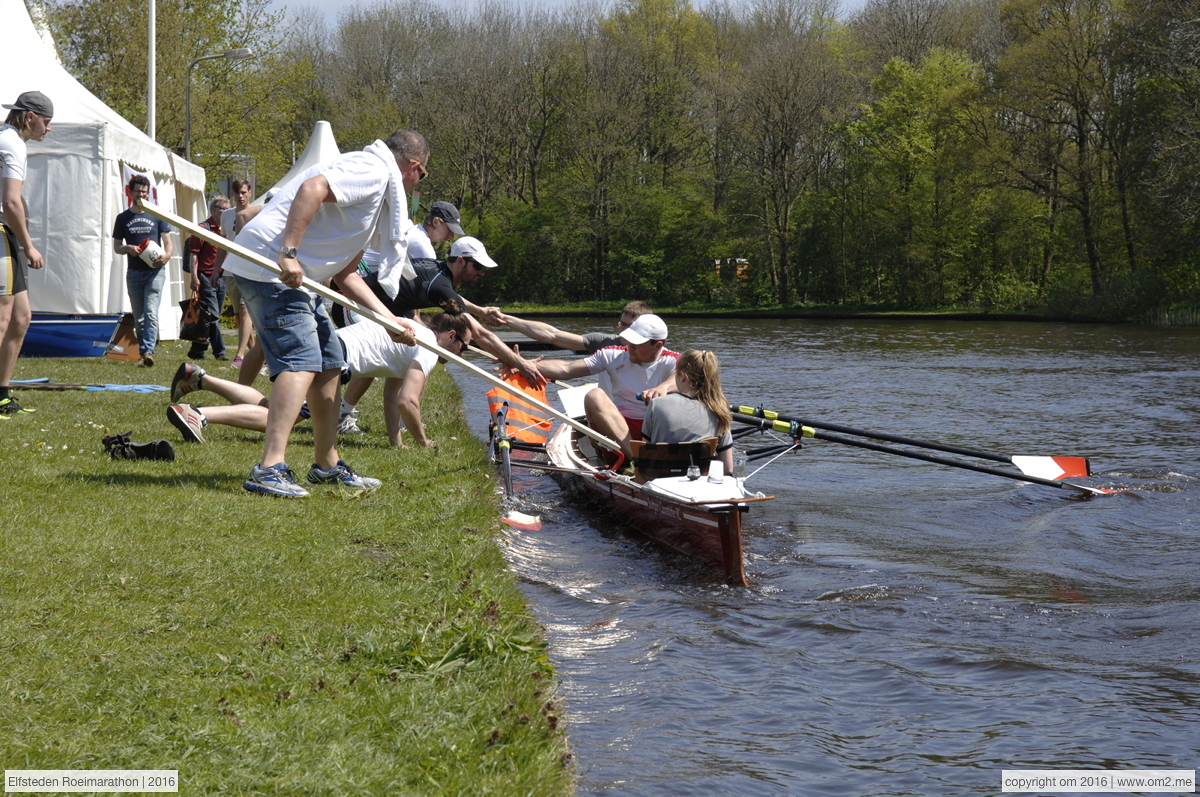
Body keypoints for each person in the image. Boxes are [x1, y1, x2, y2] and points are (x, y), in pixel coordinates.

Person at [219, 128, 425, 498]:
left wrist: (387, 320)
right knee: (301, 362)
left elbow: (346, 274)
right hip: (272, 268)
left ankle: (327, 464)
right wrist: (290, 252)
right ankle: (268, 468)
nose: (417, 185)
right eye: (422, 174)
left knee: (330, 363)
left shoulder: (376, 200)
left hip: (298, 278)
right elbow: (311, 189)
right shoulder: (374, 171)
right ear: (411, 166)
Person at [167, 311, 471, 449]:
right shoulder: (430, 346)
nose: (463, 354)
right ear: (452, 336)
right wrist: (425, 441)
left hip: (328, 345)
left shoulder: (415, 337)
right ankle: (198, 415)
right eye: (464, 348)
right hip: (336, 359)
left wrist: (398, 443)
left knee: (276, 405)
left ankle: (200, 379)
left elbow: (393, 398)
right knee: (283, 416)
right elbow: (409, 402)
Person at [342, 236, 545, 424]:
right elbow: (481, 334)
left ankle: (404, 421)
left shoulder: (438, 271)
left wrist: (480, 310)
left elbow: (452, 297)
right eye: (478, 266)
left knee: (418, 357)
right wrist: (522, 364)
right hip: (354, 304)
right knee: (369, 356)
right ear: (460, 262)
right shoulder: (441, 285)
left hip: (387, 310)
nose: (481, 272)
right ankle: (341, 412)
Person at [528, 313, 678, 461]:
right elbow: (565, 368)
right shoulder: (612, 355)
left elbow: (685, 375)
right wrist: (524, 364)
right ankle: (637, 461)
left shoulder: (671, 361)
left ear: (658, 345)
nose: (630, 346)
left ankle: (646, 462)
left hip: (657, 434)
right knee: (595, 396)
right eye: (629, 340)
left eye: (637, 343)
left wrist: (663, 387)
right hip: (617, 434)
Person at [0, 90, 52, 418]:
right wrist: (29, 244)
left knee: (21, 318)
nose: (49, 129)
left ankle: (2, 393)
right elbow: (10, 201)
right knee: (4, 317)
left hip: (6, 236)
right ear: (29, 117)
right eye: (46, 122)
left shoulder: (10, 140)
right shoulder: (12, 143)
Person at [112, 173, 173, 367]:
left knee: (150, 312)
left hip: (155, 271)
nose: (142, 195)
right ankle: (142, 353)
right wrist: (128, 249)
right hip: (134, 272)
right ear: (130, 192)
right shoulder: (123, 218)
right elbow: (117, 247)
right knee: (139, 316)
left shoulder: (157, 215)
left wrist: (167, 256)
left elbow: (168, 243)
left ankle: (148, 351)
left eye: (145, 192)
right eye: (138, 191)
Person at [641, 350, 735, 475]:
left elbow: (643, 457)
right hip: (699, 483)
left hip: (659, 481)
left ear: (682, 375)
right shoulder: (720, 410)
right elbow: (728, 469)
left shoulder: (656, 404)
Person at [492, 300, 654, 354]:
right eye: (622, 324)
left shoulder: (658, 354)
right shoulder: (603, 342)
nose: (623, 330)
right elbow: (552, 335)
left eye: (630, 326)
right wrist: (505, 318)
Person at [183, 195, 231, 360]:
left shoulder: (226, 228)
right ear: (212, 210)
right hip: (205, 276)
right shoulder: (203, 228)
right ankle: (220, 351)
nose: (225, 212)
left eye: (227, 209)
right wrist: (194, 278)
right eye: (221, 208)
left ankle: (197, 350)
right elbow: (194, 255)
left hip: (222, 277)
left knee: (208, 316)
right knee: (213, 315)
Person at [215, 178, 255, 367]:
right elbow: (223, 244)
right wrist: (217, 270)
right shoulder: (226, 215)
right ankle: (255, 354)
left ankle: (239, 357)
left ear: (250, 193)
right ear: (232, 194)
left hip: (250, 270)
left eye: (244, 192)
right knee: (239, 316)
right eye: (237, 193)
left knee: (246, 311)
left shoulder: (257, 213)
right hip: (230, 270)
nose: (240, 196)